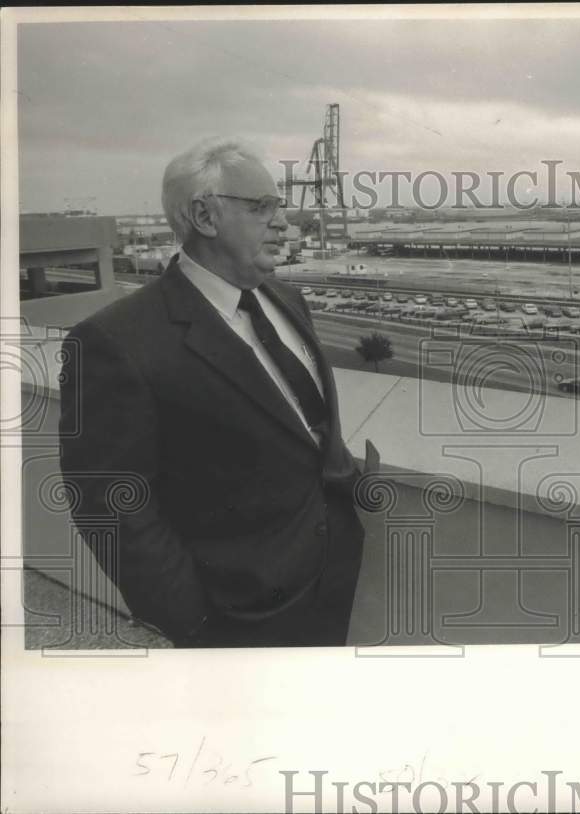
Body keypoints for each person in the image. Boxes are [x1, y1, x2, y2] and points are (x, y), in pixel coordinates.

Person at [58, 137, 374, 648]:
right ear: (204, 216)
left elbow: (305, 428)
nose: (284, 223)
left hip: (335, 580)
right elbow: (111, 505)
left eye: (280, 207)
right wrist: (194, 624)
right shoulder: (116, 341)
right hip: (238, 619)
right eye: (261, 208)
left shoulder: (287, 299)